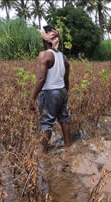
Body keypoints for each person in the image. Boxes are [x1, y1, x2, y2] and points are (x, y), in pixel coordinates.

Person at [29, 25, 70, 153]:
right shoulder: (63, 57)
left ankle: (44, 153)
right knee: (63, 118)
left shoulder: (45, 55)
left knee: (47, 122)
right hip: (62, 91)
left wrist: (32, 97)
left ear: (46, 39)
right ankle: (68, 145)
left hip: (50, 93)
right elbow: (66, 79)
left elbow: (41, 79)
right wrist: (64, 93)